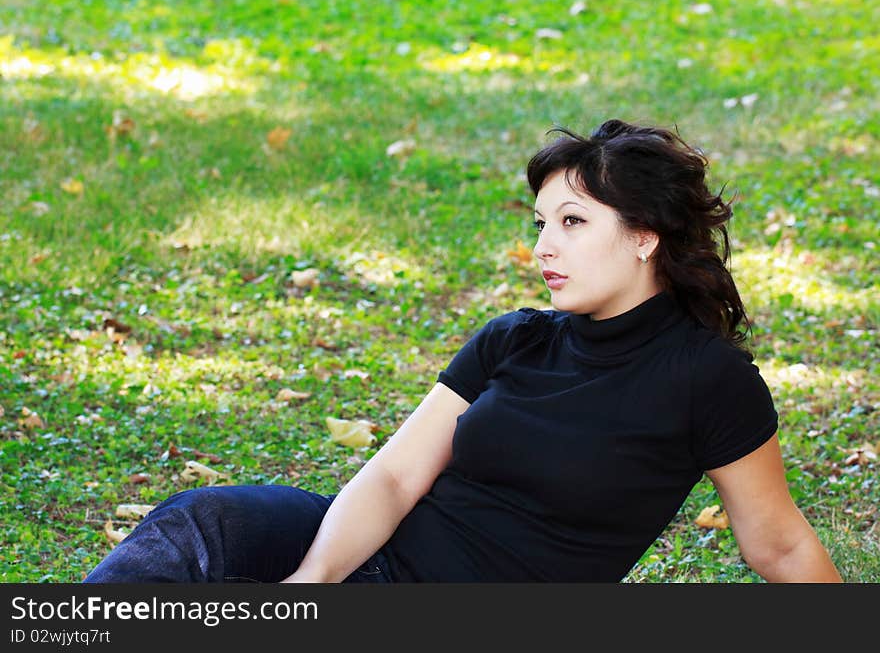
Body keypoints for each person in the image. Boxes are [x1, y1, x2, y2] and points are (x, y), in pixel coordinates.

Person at [84, 118, 841, 583]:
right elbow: (392, 477)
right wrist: (316, 576)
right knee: (203, 527)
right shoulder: (516, 339)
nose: (545, 247)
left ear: (645, 235)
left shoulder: (707, 379)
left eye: (573, 222)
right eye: (540, 223)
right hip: (371, 559)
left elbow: (776, 545)